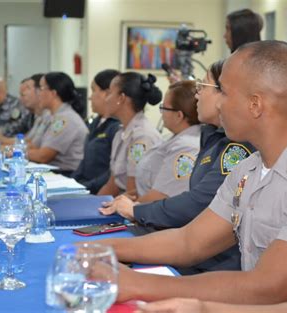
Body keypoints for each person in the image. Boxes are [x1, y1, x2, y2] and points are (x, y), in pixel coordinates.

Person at [96, 41, 287, 304]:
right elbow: (189, 242)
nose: (218, 104)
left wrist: (139, 284)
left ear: (255, 105)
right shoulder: (248, 169)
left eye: (224, 92)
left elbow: (270, 286)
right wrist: (100, 249)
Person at [100, 61, 254, 274]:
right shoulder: (213, 137)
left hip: (214, 265)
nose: (197, 95)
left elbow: (199, 202)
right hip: (195, 251)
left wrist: (136, 210)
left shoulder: (235, 147)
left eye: (203, 86)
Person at [97, 72, 163, 197]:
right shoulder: (121, 132)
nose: (106, 99)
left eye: (110, 93)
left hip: (133, 209)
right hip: (120, 202)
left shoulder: (142, 137)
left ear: (121, 98)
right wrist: (91, 205)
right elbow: (113, 183)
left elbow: (133, 193)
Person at [71, 69, 121, 194]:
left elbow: (113, 172)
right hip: (85, 187)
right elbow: (85, 160)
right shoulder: (95, 122)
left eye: (94, 90)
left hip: (99, 191)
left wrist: (86, 186)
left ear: (107, 93)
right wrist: (72, 182)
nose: (89, 97)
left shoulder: (116, 127)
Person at [27, 72, 88, 175]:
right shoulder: (53, 116)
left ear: (53, 93)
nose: (38, 94)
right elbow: (34, 146)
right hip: (54, 171)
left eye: (41, 89)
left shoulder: (65, 119)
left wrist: (14, 153)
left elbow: (43, 156)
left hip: (66, 174)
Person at [0, 74, 50, 147]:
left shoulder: (49, 116)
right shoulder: (37, 116)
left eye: (28, 88)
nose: (23, 93)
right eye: (21, 93)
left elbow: (36, 148)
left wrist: (1, 140)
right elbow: (27, 140)